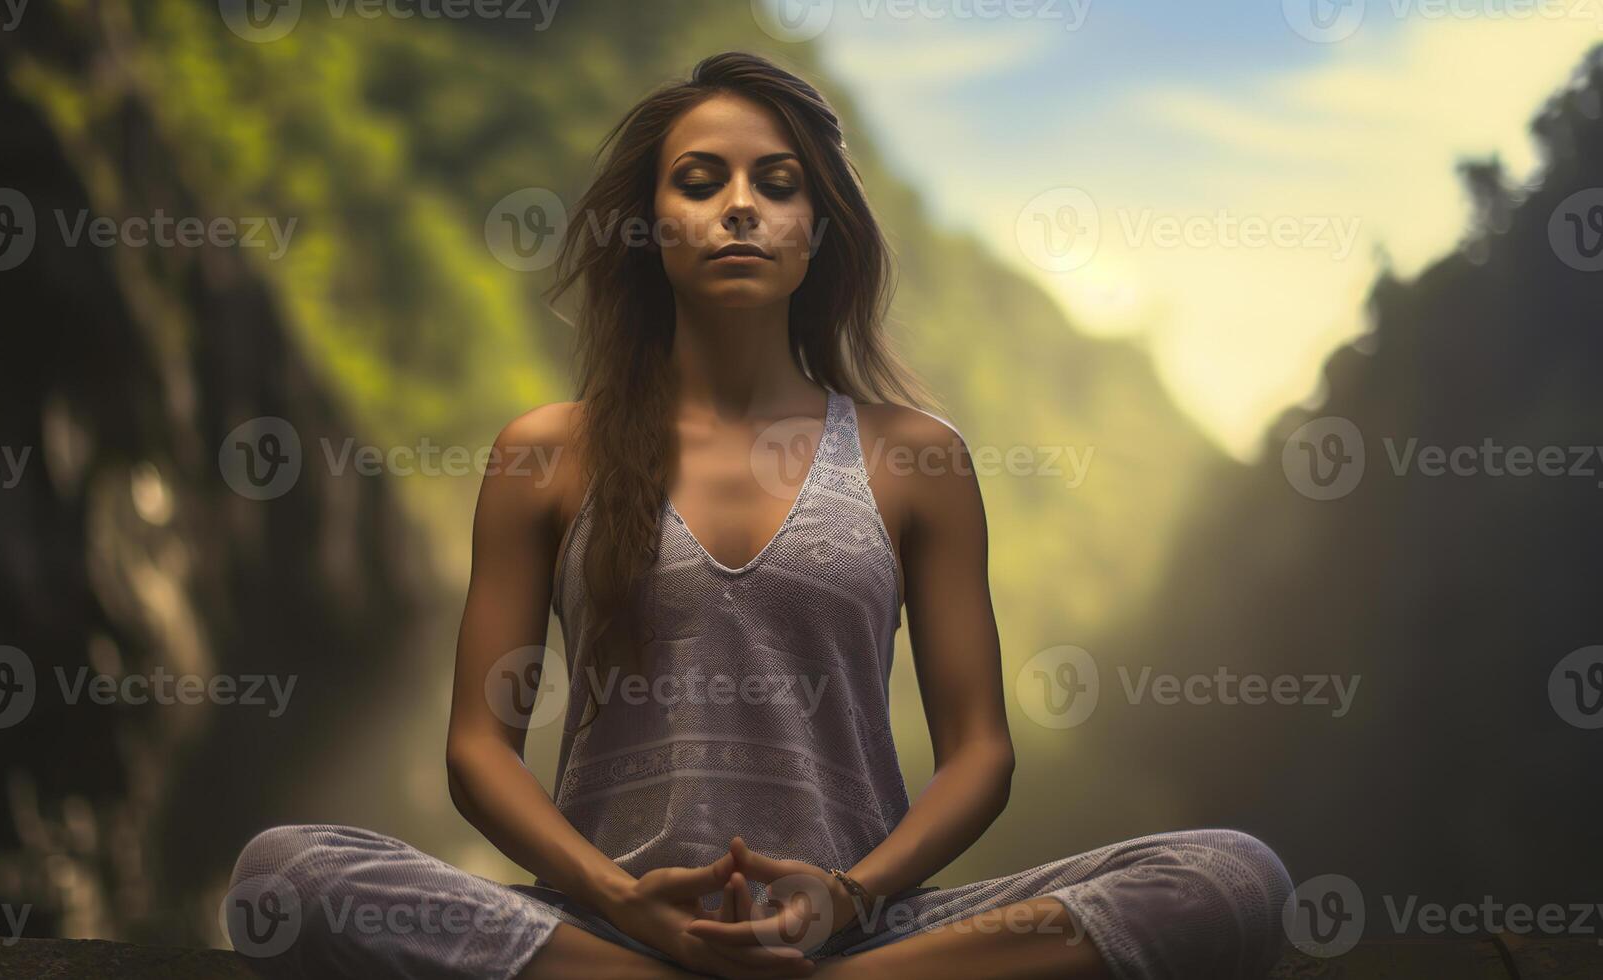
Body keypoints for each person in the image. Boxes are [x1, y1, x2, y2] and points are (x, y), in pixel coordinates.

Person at [227, 50, 1293, 980]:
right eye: (701, 180)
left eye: (776, 185)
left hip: (863, 930)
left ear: (816, 227)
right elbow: (476, 747)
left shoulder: (915, 456)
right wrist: (619, 896)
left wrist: (849, 895)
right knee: (287, 871)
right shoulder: (546, 454)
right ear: (652, 222)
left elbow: (980, 753)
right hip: (608, 922)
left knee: (1228, 875)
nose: (739, 204)